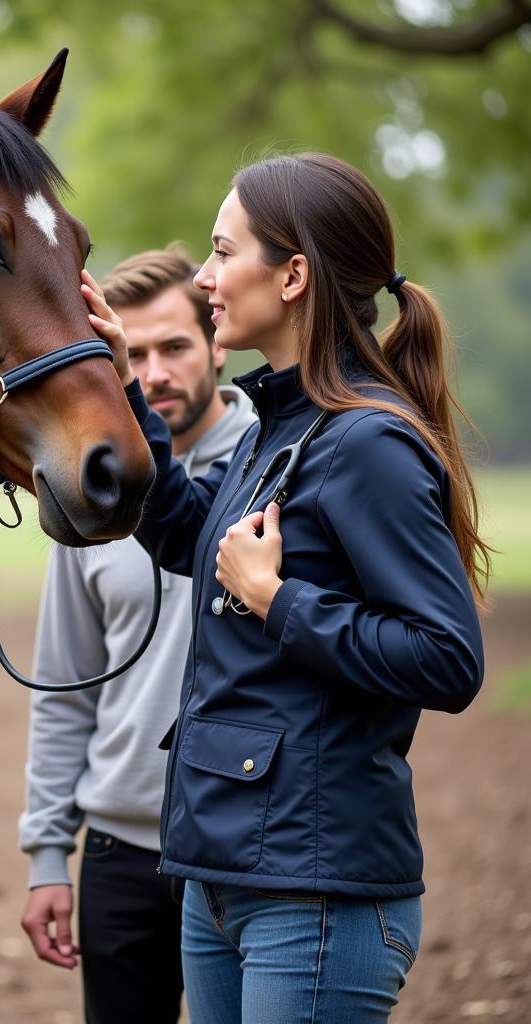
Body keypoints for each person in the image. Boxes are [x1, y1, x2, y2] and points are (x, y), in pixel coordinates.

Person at [81, 154, 488, 1024]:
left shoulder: (368, 442)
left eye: (224, 253)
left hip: (315, 895)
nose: (203, 277)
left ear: (294, 274)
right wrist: (121, 386)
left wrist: (280, 602)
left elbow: (448, 658)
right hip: (222, 881)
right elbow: (198, 540)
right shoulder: (280, 428)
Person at [18, 245, 256, 1024]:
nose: (155, 371)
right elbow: (64, 689)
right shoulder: (94, 492)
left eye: (175, 346)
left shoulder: (275, 464)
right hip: (123, 850)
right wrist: (47, 854)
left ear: (215, 344)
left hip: (247, 840)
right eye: (136, 353)